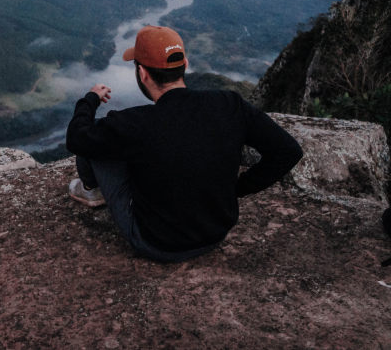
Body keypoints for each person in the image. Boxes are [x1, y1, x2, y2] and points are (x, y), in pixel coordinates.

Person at [65, 25, 303, 262]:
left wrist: (91, 99)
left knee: (95, 139)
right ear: (185, 65)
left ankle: (92, 192)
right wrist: (238, 188)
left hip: (155, 243)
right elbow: (288, 151)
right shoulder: (229, 104)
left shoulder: (135, 123)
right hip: (215, 233)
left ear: (143, 74)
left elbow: (77, 137)